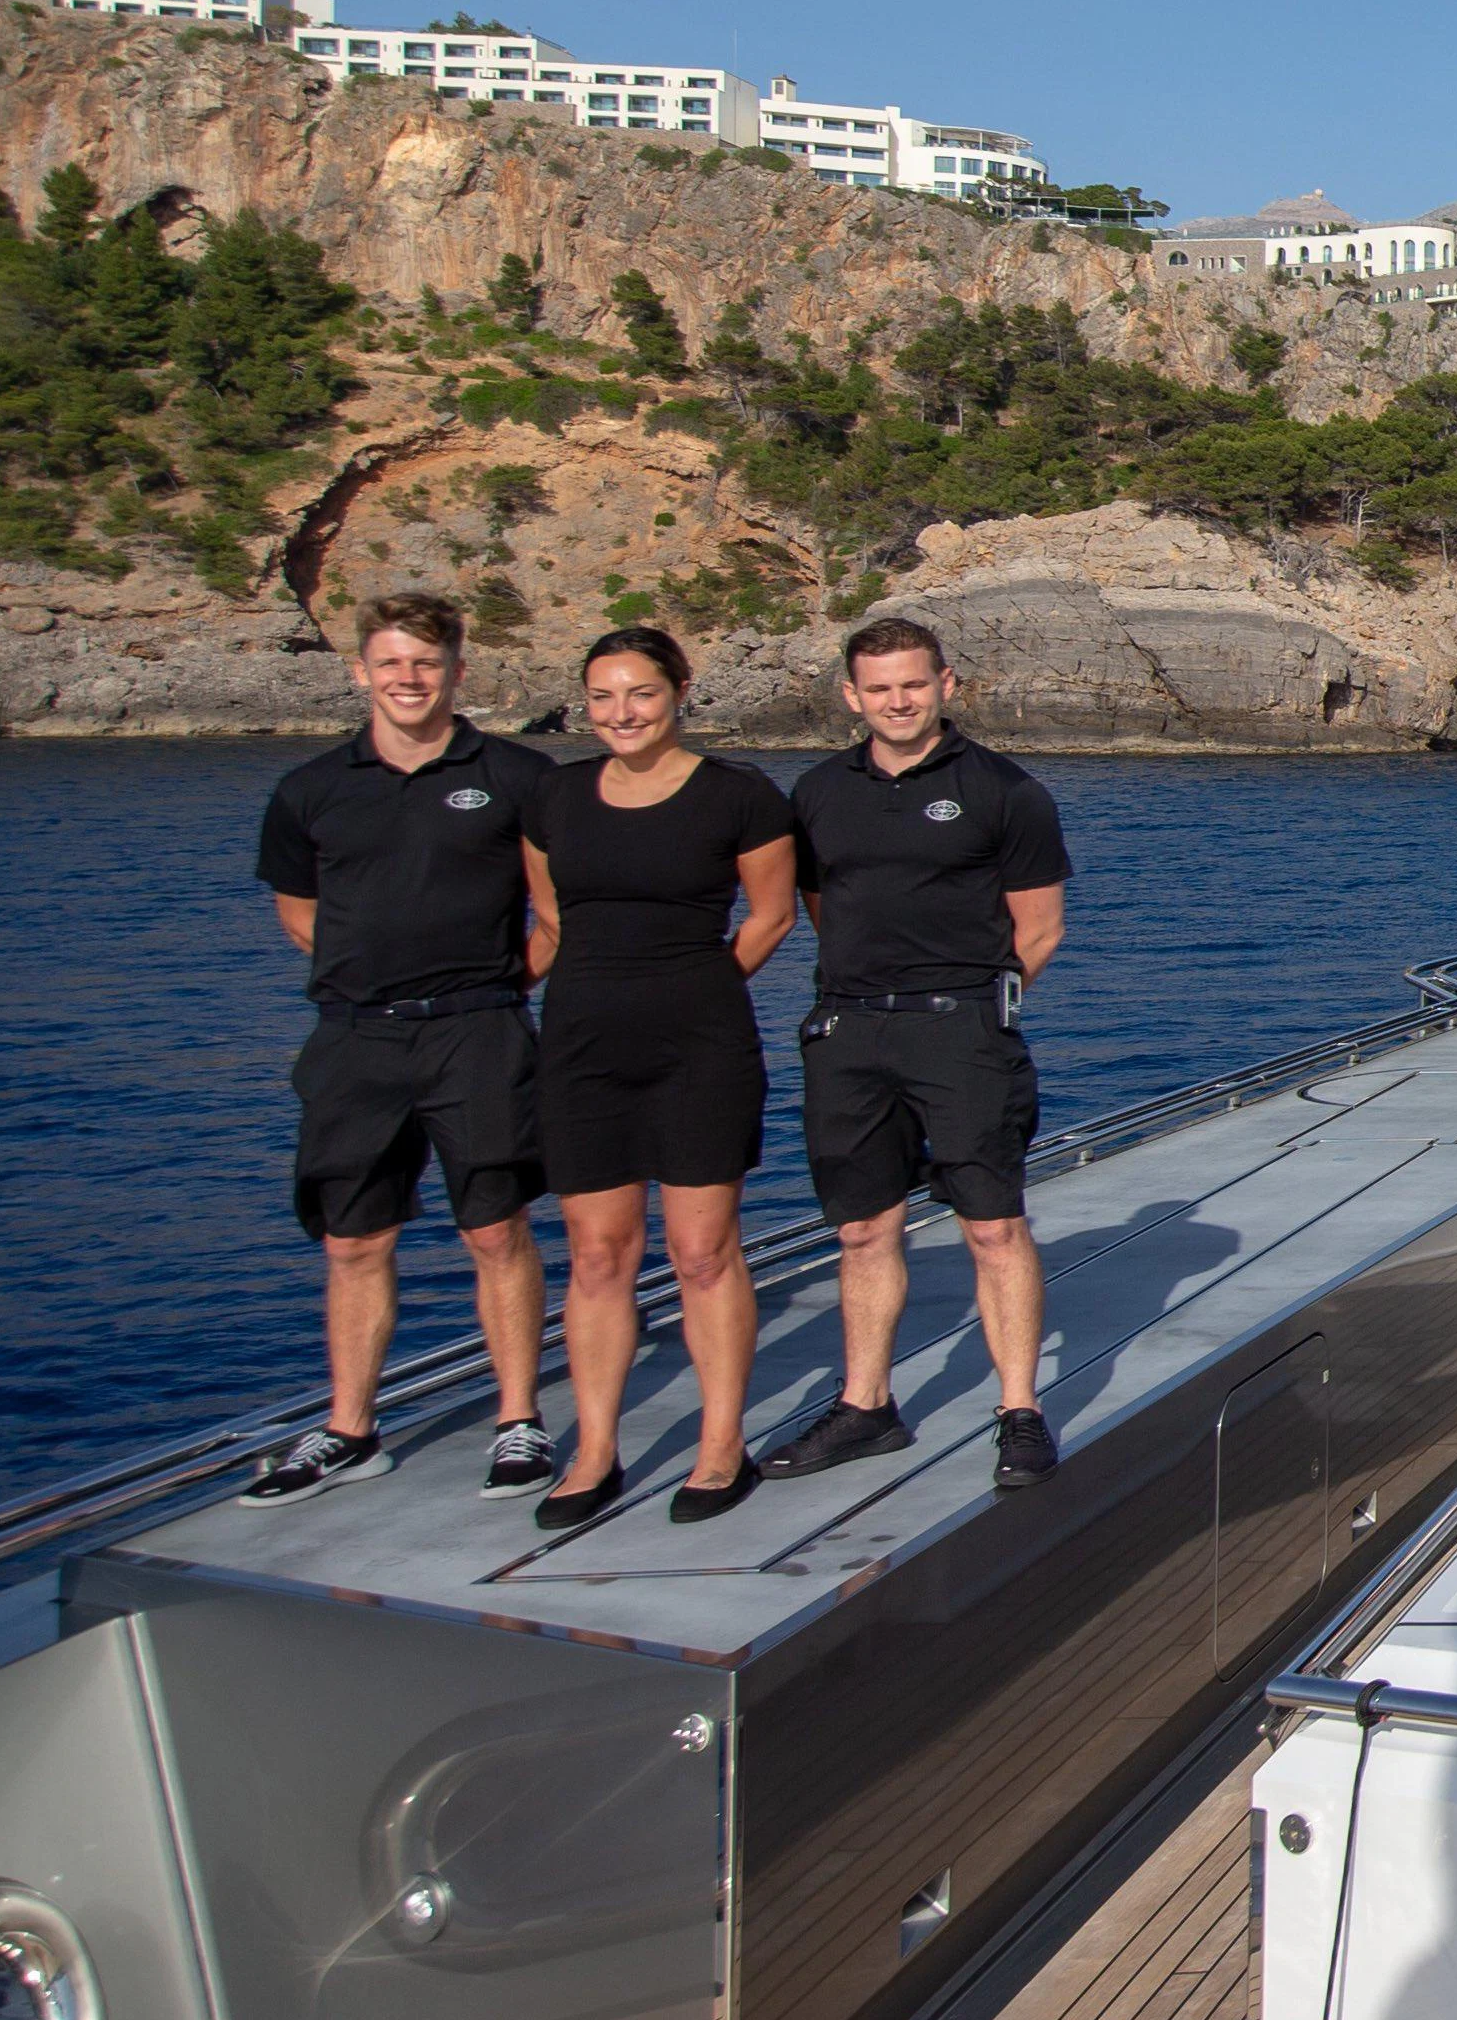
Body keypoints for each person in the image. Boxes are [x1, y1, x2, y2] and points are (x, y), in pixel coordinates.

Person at [240, 591, 558, 1505]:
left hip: (478, 1031)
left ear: (459, 672)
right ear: (360, 673)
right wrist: (369, 976)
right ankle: (349, 1428)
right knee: (352, 1240)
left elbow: (554, 912)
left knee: (495, 1227)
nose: (408, 680)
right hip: (354, 1041)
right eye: (390, 664)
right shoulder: (309, 790)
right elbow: (300, 912)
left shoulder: (517, 775)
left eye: (426, 664)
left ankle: (518, 1421)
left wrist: (502, 986)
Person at [757, 618, 1075, 1489]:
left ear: (945, 684)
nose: (898, 701)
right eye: (879, 688)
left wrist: (973, 1013)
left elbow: (1038, 929)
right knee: (863, 1228)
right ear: (852, 697)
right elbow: (823, 905)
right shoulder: (818, 792)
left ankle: (1019, 1410)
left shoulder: (1007, 792)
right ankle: (867, 1407)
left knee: (993, 1225)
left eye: (913, 683)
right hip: (849, 1031)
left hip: (963, 1029)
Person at [521, 627, 797, 1527]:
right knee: (597, 1256)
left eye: (639, 693)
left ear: (680, 690)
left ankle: (722, 1446)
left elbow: (771, 916)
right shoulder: (554, 797)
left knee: (701, 1253)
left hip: (700, 1047)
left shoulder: (739, 797)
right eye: (602, 697)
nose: (620, 714)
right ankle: (594, 1450)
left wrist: (703, 988)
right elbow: (554, 922)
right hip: (581, 1050)